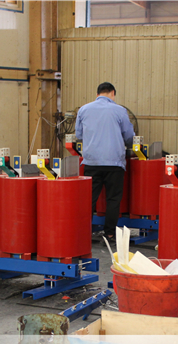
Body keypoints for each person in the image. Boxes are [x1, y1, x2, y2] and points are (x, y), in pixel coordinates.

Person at [76, 82, 135, 241]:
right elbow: (129, 136)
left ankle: (83, 233)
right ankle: (109, 234)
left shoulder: (83, 110)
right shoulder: (120, 110)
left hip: (91, 162)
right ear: (113, 93)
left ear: (97, 94)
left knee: (88, 200)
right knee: (113, 199)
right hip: (114, 163)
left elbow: (79, 135)